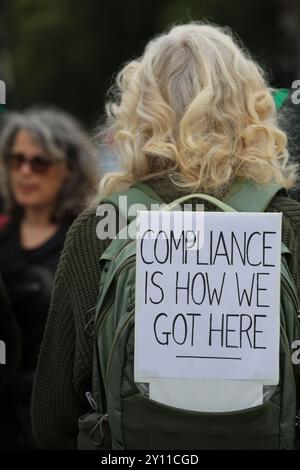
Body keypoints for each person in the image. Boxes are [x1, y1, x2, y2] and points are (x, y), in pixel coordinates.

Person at [32, 23, 300, 449]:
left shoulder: (101, 228)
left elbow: (52, 419)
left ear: (138, 114)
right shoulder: (289, 224)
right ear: (252, 109)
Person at [0, 108, 99, 448]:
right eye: (17, 160)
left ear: (68, 169)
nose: (26, 172)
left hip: (56, 423)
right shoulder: (1, 235)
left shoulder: (87, 241)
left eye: (40, 162)